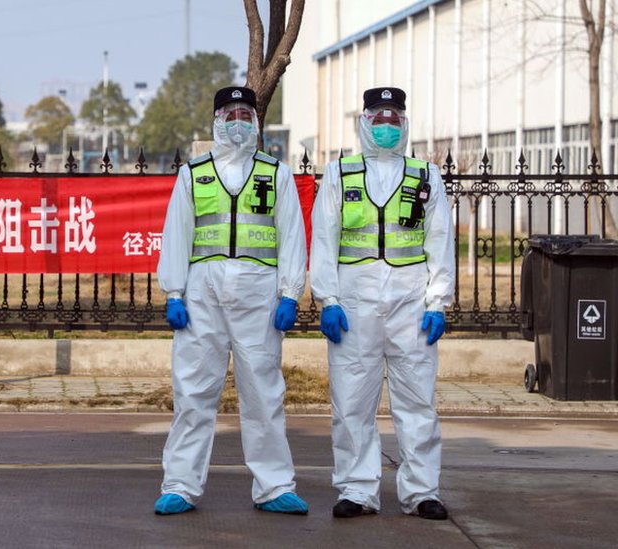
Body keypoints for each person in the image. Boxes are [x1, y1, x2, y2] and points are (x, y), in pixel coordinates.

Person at [153, 86, 309, 516]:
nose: (238, 120)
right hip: (202, 296)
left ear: (256, 122)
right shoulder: (195, 173)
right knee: (193, 391)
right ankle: (181, 485)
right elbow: (177, 234)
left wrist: (290, 293)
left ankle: (274, 486)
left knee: (263, 393)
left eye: (246, 113)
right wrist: (174, 292)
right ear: (216, 120)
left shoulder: (275, 173)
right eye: (230, 113)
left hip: (259, 295)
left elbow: (292, 234)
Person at [310, 87, 455, 520]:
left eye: (394, 119)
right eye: (379, 118)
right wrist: (327, 298)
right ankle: (357, 490)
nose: (386, 126)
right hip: (354, 302)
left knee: (416, 401)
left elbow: (440, 240)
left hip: (411, 301)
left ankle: (421, 491)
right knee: (352, 400)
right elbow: (324, 237)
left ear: (405, 123)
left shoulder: (425, 174)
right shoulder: (340, 173)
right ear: (364, 122)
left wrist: (438, 301)